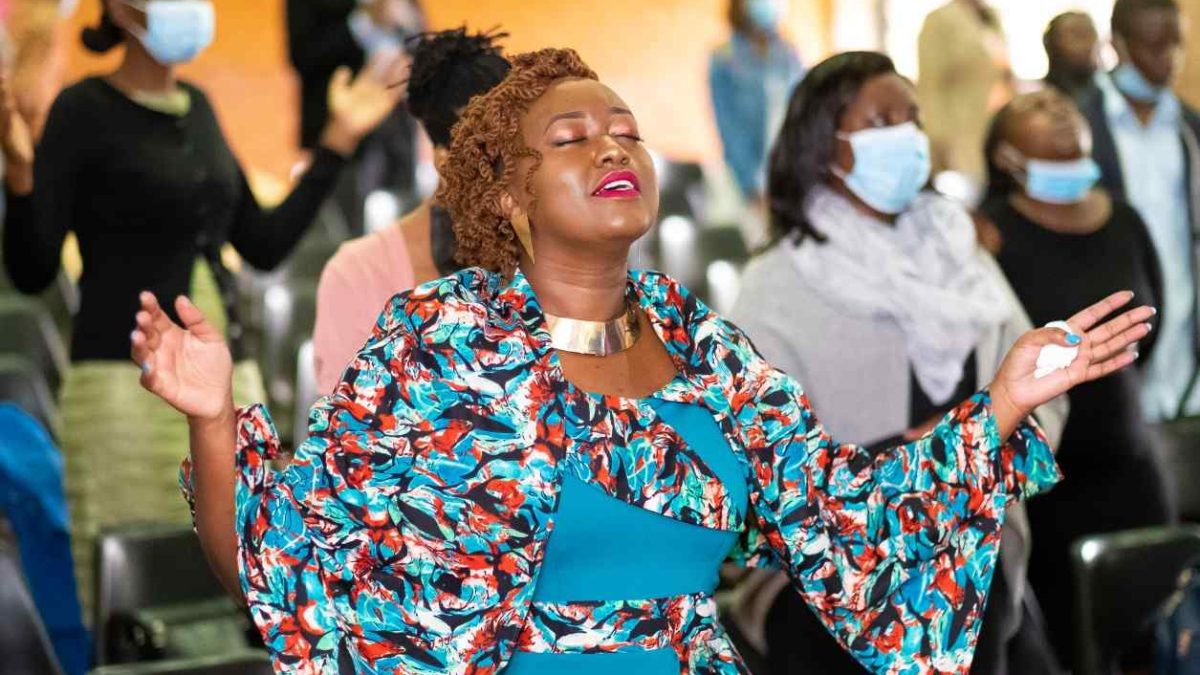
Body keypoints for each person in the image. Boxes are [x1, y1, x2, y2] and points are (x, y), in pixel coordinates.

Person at [133, 48, 1151, 674]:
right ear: (503, 198)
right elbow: (292, 581)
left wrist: (1001, 407)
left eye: (625, 131)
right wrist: (215, 422)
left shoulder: (708, 353)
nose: (613, 147)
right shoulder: (438, 350)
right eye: (571, 137)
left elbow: (846, 522)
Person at [0, 0, 403, 614]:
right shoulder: (82, 110)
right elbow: (32, 271)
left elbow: (263, 244)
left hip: (227, 383)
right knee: (135, 604)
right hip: (123, 394)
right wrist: (22, 171)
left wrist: (336, 143)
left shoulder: (201, 106)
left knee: (245, 587)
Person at [731, 51, 1065, 675]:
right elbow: (761, 458)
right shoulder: (776, 282)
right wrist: (907, 461)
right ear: (823, 143)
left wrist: (985, 440)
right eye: (881, 119)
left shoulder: (957, 248)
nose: (906, 134)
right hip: (827, 571)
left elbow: (1043, 386)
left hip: (975, 536)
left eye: (911, 116)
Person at [982, 88, 1175, 667]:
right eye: (1034, 109)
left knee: (1153, 636)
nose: (1058, 109)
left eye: (1060, 104)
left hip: (1130, 465)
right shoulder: (987, 236)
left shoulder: (1123, 217)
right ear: (1005, 157)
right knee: (1067, 646)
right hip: (1045, 483)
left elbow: (1152, 323)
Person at [313, 26, 510, 393]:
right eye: (490, 152)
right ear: (443, 158)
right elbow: (348, 432)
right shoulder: (358, 273)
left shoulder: (547, 257)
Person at [1076, 0, 1200, 423]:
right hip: (1114, 336)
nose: (1168, 60)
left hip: (1186, 337)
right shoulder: (1079, 123)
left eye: (1175, 45)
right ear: (1119, 46)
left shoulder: (1188, 128)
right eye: (1153, 47)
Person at [287, 0, 424, 233]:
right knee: (349, 231)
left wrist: (405, 24)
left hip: (398, 129)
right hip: (341, 135)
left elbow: (423, 44)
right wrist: (363, 23)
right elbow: (303, 56)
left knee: (404, 223)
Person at [709, 0, 804, 204]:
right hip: (751, 179)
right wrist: (751, 184)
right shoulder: (724, 59)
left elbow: (802, 113)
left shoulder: (788, 53)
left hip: (793, 174)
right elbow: (729, 128)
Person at [918, 0, 1014, 197]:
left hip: (992, 130)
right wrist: (938, 141)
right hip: (958, 135)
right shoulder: (939, 20)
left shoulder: (991, 17)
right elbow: (931, 87)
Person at [1043, 11, 1100, 99]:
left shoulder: (1112, 88)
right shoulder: (1041, 98)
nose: (1087, 44)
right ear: (1052, 44)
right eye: (1077, 35)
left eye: (1091, 33)